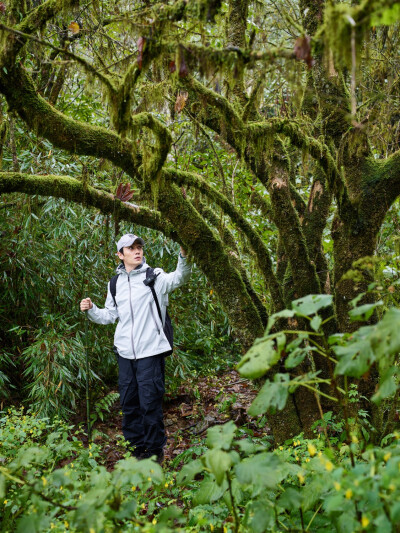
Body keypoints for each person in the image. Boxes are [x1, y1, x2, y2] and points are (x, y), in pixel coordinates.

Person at [80, 233, 191, 464]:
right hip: (124, 353)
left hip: (150, 351)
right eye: (130, 248)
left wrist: (183, 255)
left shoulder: (155, 277)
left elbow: (180, 278)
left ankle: (153, 454)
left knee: (149, 403)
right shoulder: (115, 283)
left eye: (139, 247)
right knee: (129, 403)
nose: (137, 251)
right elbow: (110, 315)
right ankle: (135, 449)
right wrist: (91, 308)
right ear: (120, 255)